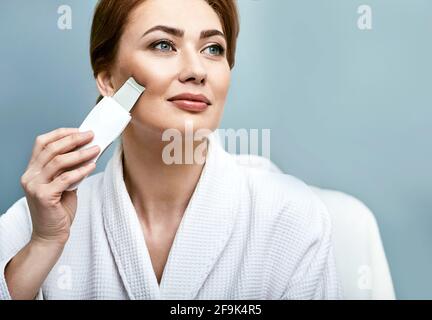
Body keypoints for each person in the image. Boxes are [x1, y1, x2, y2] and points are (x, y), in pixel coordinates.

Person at [0, 0, 341, 299]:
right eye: (163, 45)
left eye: (213, 49)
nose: (196, 71)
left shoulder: (290, 218)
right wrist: (44, 243)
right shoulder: (33, 224)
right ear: (107, 80)